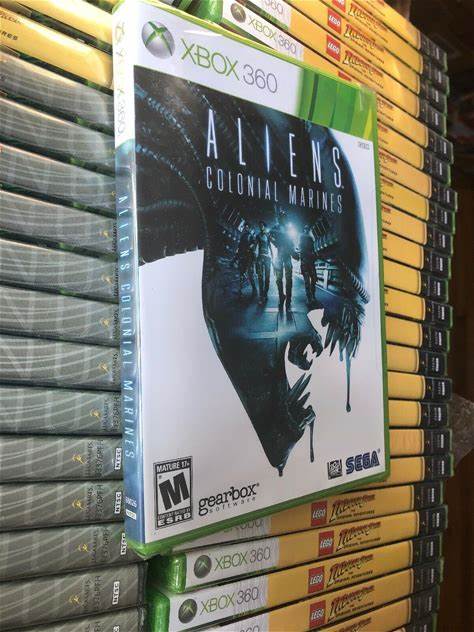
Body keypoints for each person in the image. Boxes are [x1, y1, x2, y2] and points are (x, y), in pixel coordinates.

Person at [270, 211, 297, 309]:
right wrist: (276, 243)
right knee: (278, 279)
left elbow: (291, 242)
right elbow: (270, 236)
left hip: (287, 255)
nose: (283, 219)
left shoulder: (288, 228)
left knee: (289, 278)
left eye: (284, 217)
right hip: (280, 254)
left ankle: (288, 299)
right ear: (280, 218)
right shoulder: (276, 227)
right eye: (282, 217)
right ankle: (281, 296)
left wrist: (293, 252)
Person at [235, 222, 256, 296]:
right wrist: (237, 255)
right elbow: (239, 246)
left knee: (250, 274)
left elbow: (253, 243)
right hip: (243, 256)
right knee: (241, 273)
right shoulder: (243, 236)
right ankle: (240, 289)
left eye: (247, 227)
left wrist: (249, 247)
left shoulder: (251, 236)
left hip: (249, 257)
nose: (246, 228)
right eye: (245, 227)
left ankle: (254, 289)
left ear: (249, 228)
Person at [299, 225, 317, 304]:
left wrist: (313, 255)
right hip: (306, 262)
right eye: (306, 229)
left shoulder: (309, 238)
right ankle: (310, 297)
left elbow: (313, 250)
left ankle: (312, 296)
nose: (307, 230)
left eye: (308, 229)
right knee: (308, 280)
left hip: (309, 262)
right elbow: (302, 250)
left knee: (312, 279)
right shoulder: (305, 237)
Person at [255, 220, 272, 304]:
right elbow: (255, 245)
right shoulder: (258, 236)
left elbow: (270, 246)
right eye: (260, 226)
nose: (261, 227)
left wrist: (272, 256)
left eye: (262, 225)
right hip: (260, 257)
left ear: (264, 227)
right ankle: (261, 296)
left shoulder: (268, 235)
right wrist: (255, 255)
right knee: (260, 277)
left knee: (267, 277)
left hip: (267, 258)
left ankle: (265, 294)